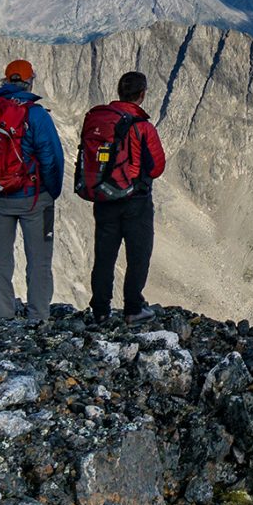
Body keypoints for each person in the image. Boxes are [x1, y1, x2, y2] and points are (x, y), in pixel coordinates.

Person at [0, 59, 63, 321]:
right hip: (33, 199)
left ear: (5, 81)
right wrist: (51, 192)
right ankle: (38, 315)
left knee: (0, 257)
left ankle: (3, 312)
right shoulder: (36, 114)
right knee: (39, 261)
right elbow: (51, 157)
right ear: (30, 82)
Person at [84, 71, 165, 324]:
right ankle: (132, 308)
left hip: (104, 197)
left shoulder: (100, 119)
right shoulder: (143, 127)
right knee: (138, 254)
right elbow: (156, 168)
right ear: (142, 94)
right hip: (135, 201)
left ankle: (100, 310)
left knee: (104, 255)